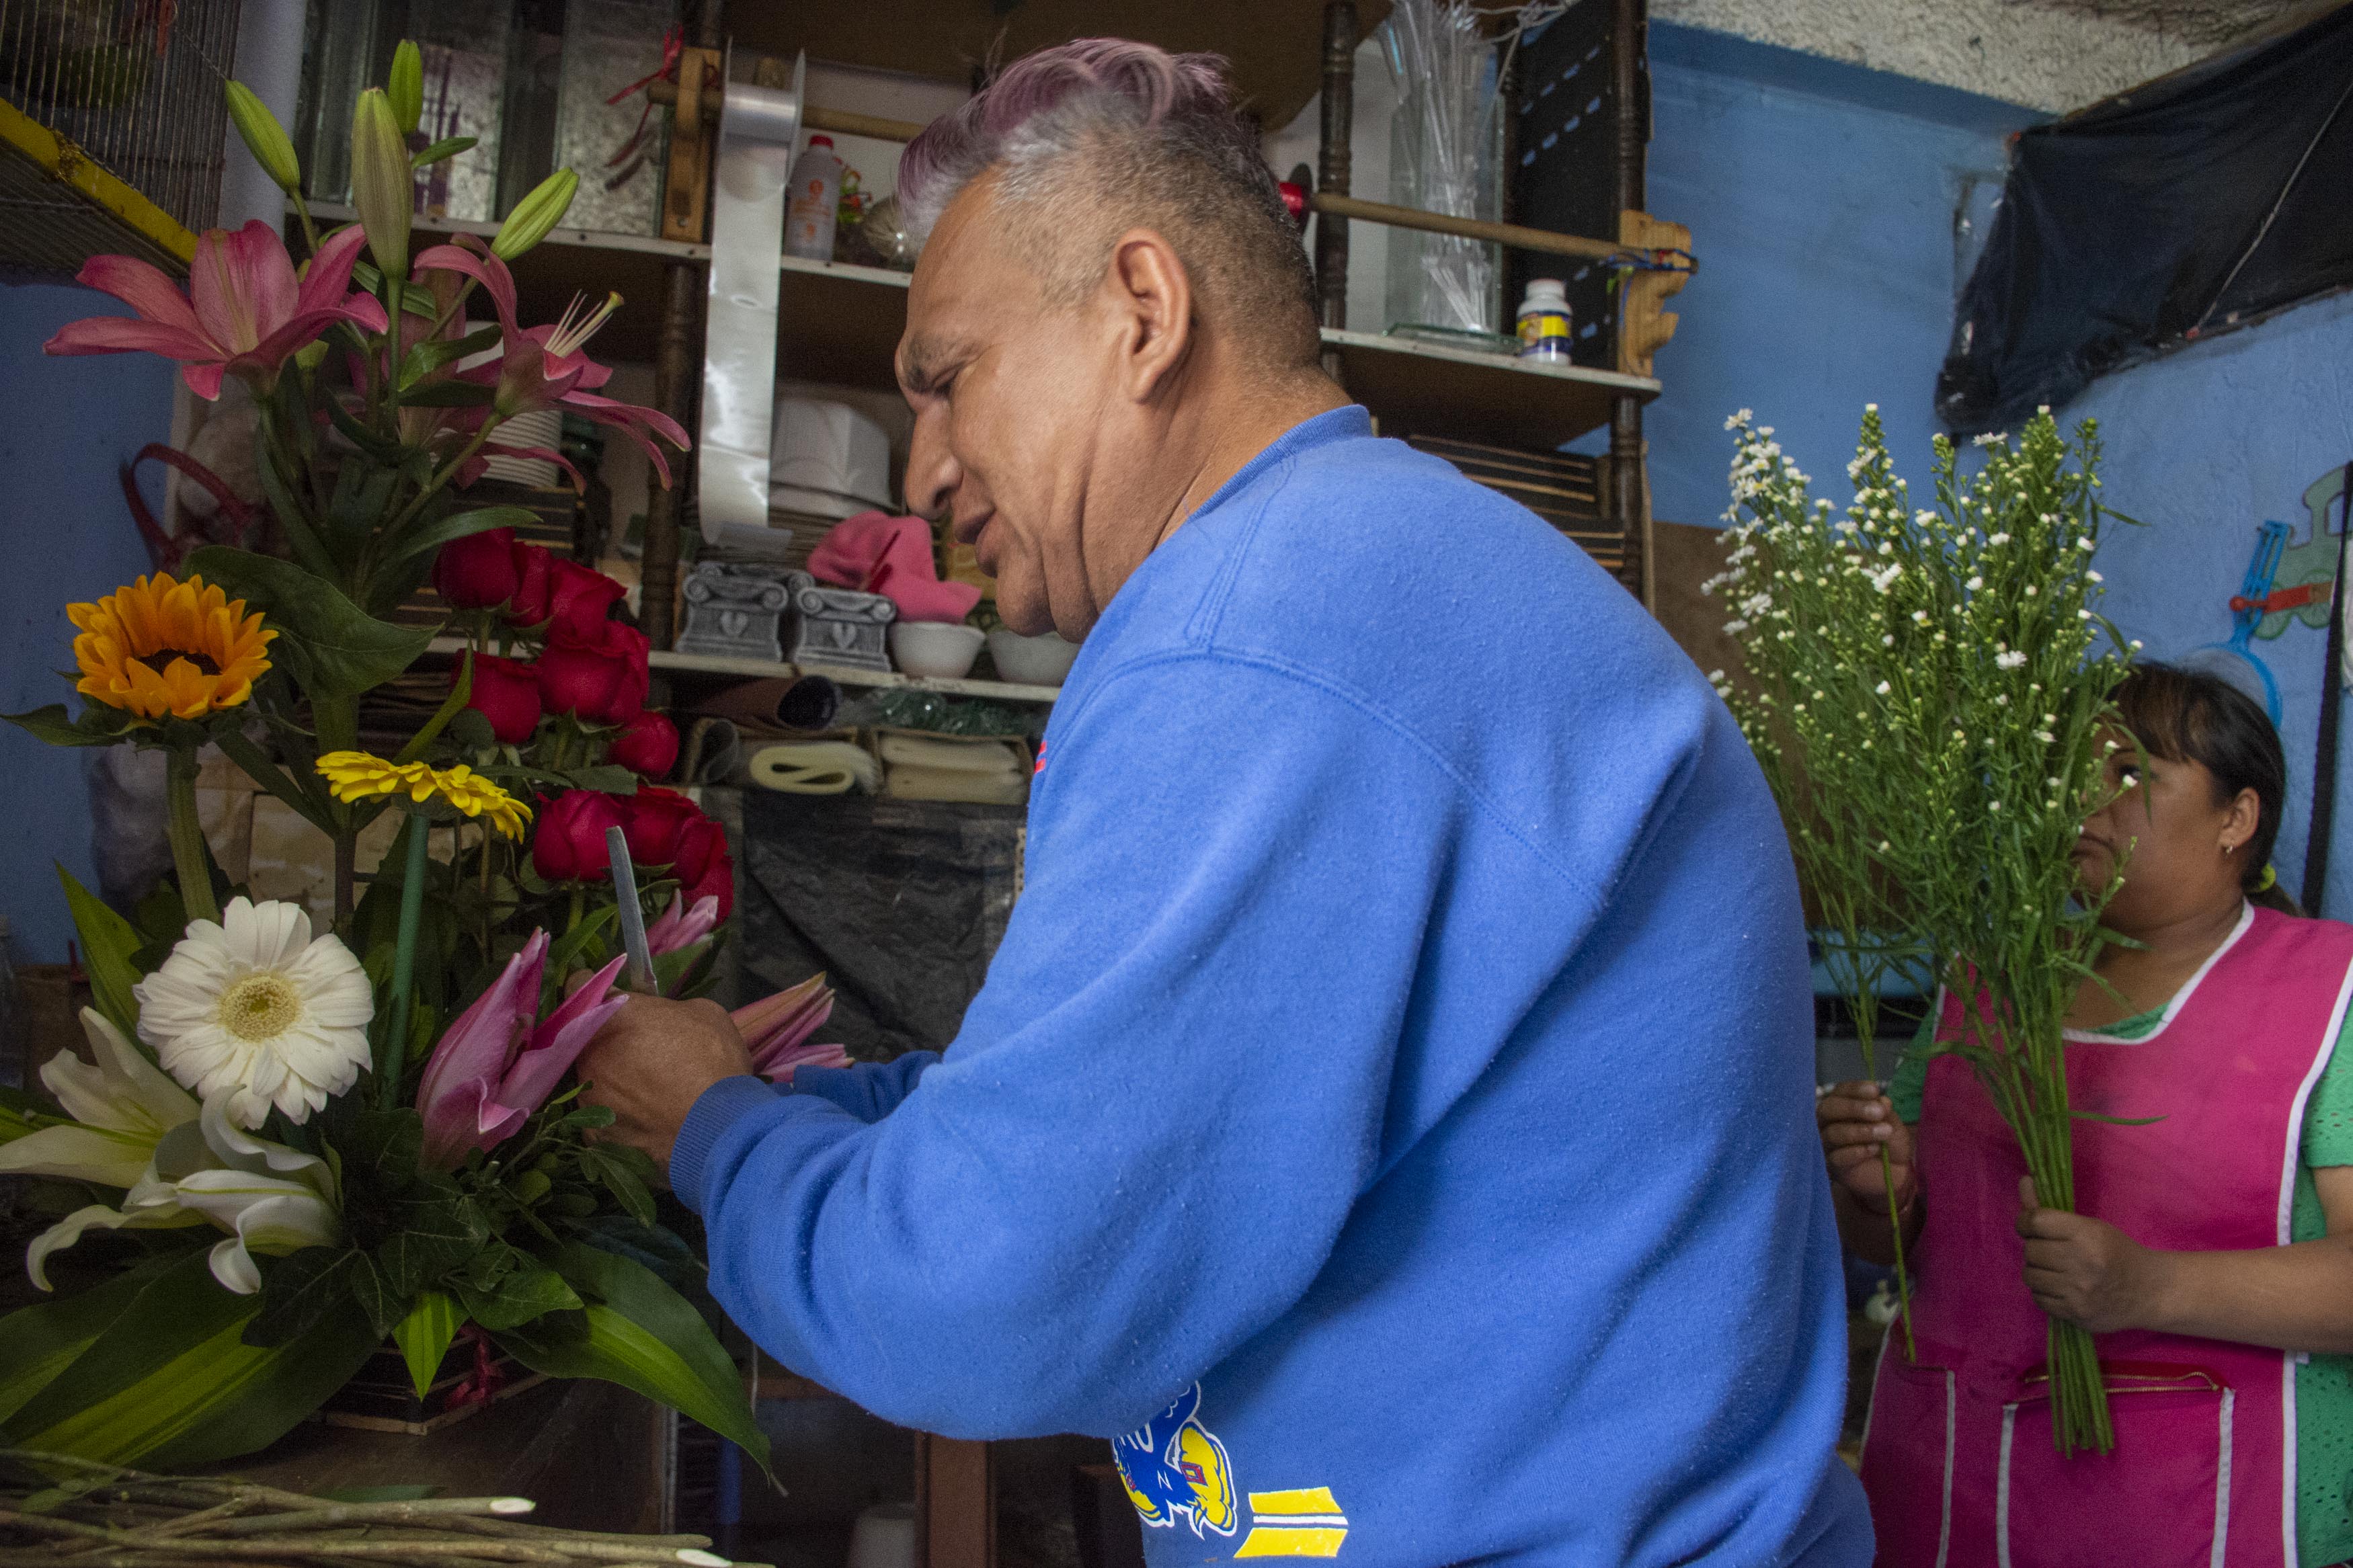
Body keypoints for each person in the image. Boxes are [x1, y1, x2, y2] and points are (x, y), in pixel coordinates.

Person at [580, 38, 1870, 1566]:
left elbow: (984, 1300)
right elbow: (1190, 1122)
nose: (921, 472)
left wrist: (716, 1135)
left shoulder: (1261, 631)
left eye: (948, 380)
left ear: (1143, 309)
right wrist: (833, 1109)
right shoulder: (1364, 569)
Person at [1820, 664, 2353, 1568]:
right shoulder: (1989, 980)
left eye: (2133, 773)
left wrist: (2151, 1289)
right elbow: (1899, 1246)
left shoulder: (2325, 991)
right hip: (1956, 1486)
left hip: (2207, 1506)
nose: (2085, 801)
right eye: (2070, 771)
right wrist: (1881, 1194)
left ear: (2236, 818)